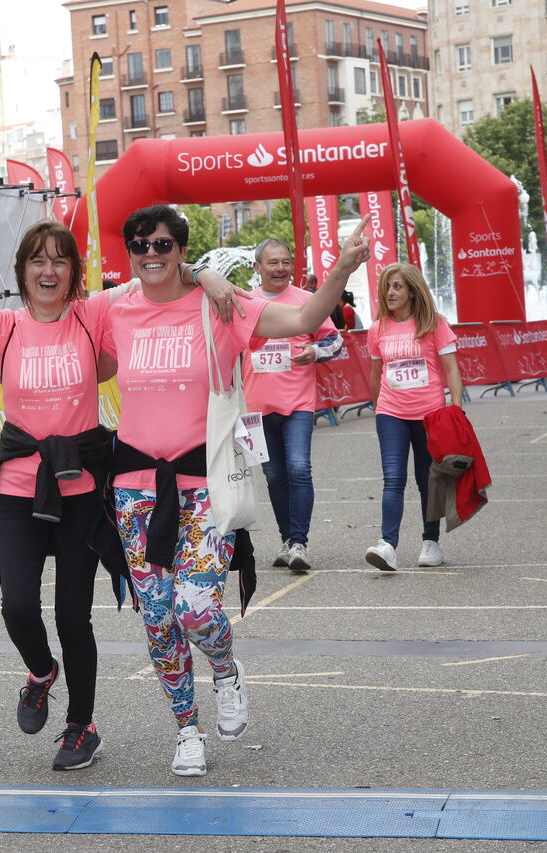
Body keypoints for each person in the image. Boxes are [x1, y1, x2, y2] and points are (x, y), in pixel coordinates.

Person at [0, 196, 234, 773]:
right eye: (37, 260)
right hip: (18, 488)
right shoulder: (1, 329)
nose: (48, 270)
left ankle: (82, 725)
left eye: (60, 260)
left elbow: (155, 279)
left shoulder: (93, 314)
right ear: (22, 271)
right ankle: (38, 671)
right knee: (19, 608)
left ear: (74, 273)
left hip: (83, 493)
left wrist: (203, 272)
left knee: (73, 618)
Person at [104, 205, 369, 776]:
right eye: (140, 244)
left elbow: (302, 321)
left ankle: (224, 667)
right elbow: (52, 324)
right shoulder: (114, 308)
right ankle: (186, 730)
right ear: (129, 251)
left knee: (196, 609)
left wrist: (342, 270)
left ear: (181, 249)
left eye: (164, 244)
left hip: (206, 484)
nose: (152, 254)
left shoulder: (219, 304)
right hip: (134, 490)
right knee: (158, 621)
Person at [242, 238, 341, 574]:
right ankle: (288, 541)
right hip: (255, 408)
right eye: (273, 263)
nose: (281, 268)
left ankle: (299, 541)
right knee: (273, 475)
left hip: (298, 403)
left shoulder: (306, 301)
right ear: (257, 267)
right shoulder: (245, 303)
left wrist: (316, 352)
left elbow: (335, 339)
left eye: (286, 261)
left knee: (299, 468)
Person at [364, 262, 464, 571]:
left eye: (397, 286)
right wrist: (379, 407)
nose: (390, 292)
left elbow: (451, 370)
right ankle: (387, 546)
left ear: (412, 290)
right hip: (391, 414)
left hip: (429, 415)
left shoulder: (434, 324)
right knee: (393, 478)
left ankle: (431, 542)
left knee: (428, 480)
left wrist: (455, 410)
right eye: (387, 287)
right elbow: (376, 375)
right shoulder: (377, 328)